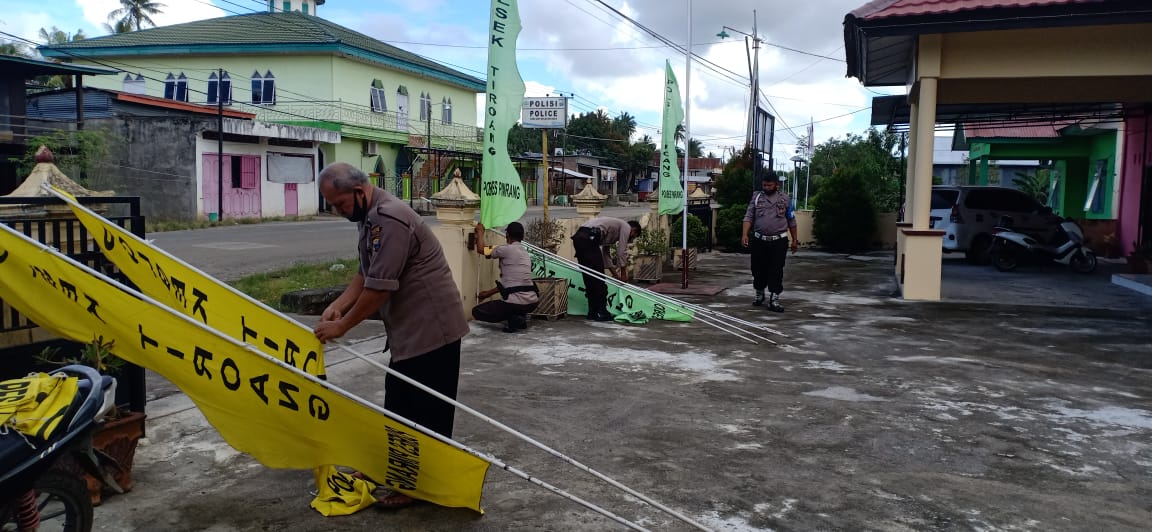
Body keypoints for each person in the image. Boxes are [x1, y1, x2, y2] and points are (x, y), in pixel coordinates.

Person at [312, 162, 469, 508]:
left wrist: (342, 325)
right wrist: (338, 305)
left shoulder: (390, 218)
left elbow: (380, 289)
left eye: (340, 204)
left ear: (358, 191)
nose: (338, 212)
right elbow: (365, 273)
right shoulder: (369, 217)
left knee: (427, 412)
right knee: (398, 404)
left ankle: (420, 486)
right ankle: (391, 469)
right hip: (408, 331)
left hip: (432, 328)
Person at [741, 172, 799, 312]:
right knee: (757, 268)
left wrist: (794, 240)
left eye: (769, 185)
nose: (766, 187)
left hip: (778, 241)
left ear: (776, 185)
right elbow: (749, 216)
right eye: (764, 185)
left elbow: (791, 220)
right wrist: (744, 234)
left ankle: (774, 299)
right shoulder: (756, 197)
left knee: (776, 269)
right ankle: (759, 293)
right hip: (759, 240)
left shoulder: (784, 199)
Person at [472, 221, 539, 333]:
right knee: (514, 303)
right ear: (522, 237)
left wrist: (480, 232)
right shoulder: (525, 253)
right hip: (532, 303)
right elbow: (510, 285)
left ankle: (514, 318)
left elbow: (481, 249)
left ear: (507, 235)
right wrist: (488, 294)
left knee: (477, 311)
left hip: (514, 303)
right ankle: (519, 316)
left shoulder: (504, 249)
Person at [570, 217, 642, 321]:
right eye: (633, 237)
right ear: (633, 231)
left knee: (590, 277)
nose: (631, 239)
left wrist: (616, 276)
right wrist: (623, 275)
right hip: (590, 237)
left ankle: (592, 313)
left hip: (580, 238)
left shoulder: (612, 230)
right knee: (599, 279)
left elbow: (605, 255)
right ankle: (601, 313)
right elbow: (621, 252)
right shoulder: (626, 226)